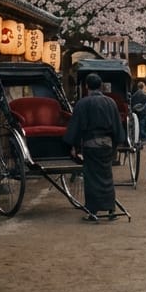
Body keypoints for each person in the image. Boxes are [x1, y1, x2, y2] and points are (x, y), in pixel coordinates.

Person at [63, 73, 126, 222]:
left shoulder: (83, 103)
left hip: (91, 144)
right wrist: (117, 143)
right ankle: (111, 209)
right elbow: (117, 126)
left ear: (86, 87)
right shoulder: (110, 102)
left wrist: (73, 145)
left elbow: (76, 127)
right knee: (107, 176)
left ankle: (93, 210)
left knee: (91, 177)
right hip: (107, 144)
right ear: (101, 86)